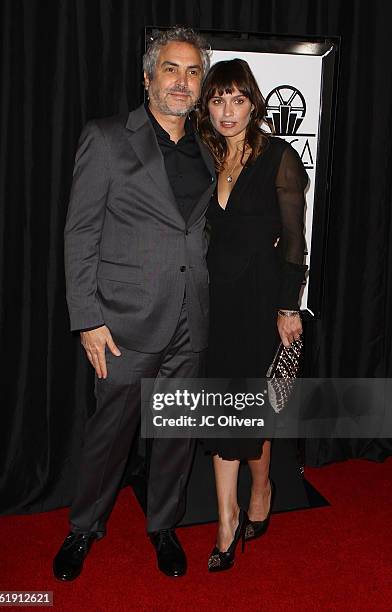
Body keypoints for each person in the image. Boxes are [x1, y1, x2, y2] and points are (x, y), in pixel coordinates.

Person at [53, 26, 215, 581]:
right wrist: (88, 318)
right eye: (171, 68)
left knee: (175, 432)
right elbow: (80, 234)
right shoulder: (106, 138)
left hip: (190, 317)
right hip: (122, 321)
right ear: (148, 78)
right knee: (110, 436)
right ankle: (84, 528)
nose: (182, 81)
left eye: (193, 71)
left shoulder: (210, 147)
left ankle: (163, 524)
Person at [197, 58, 308, 572]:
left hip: (261, 301)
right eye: (217, 100)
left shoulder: (279, 156)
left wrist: (288, 306)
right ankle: (226, 519)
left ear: (254, 103)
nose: (226, 111)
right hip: (215, 304)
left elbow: (294, 242)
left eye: (237, 99)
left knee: (250, 410)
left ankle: (261, 485)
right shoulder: (208, 155)